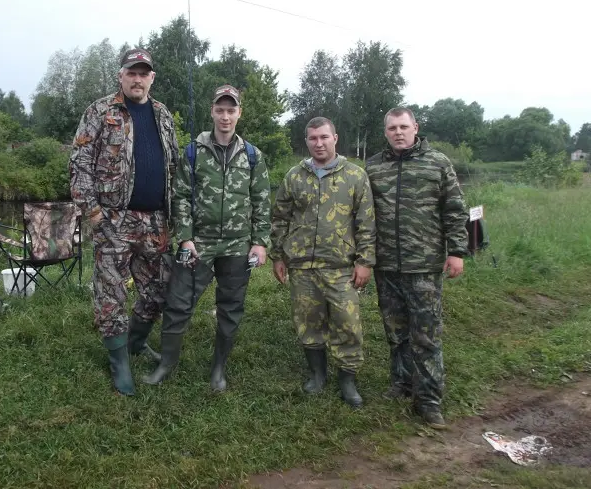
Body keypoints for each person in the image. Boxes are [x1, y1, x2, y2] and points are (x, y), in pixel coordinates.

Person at [143, 84, 271, 392]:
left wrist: (259, 241)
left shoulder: (252, 155)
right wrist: (185, 238)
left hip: (238, 245)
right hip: (198, 243)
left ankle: (218, 368)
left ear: (239, 113)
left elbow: (262, 201)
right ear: (212, 112)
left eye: (231, 110)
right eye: (220, 110)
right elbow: (180, 196)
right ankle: (166, 364)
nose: (225, 117)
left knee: (231, 307)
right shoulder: (193, 152)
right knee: (178, 303)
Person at [69, 47, 178, 397]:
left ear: (152, 78)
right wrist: (94, 214)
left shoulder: (162, 114)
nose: (137, 79)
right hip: (113, 220)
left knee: (160, 288)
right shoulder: (100, 111)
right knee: (111, 293)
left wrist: (175, 212)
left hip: (156, 220)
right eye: (132, 72)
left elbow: (173, 165)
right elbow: (79, 164)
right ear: (121, 76)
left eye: (143, 73)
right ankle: (119, 362)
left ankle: (135, 342)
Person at [365, 106, 468, 429]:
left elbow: (455, 209)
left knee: (426, 335)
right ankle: (402, 383)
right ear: (386, 132)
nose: (398, 132)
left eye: (403, 127)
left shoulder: (437, 163)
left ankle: (429, 400)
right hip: (386, 264)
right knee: (396, 332)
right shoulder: (373, 167)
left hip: (423, 264)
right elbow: (364, 214)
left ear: (415, 128)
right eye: (392, 128)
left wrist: (457, 251)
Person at [270, 117, 376, 408]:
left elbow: (366, 223)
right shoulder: (295, 176)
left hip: (341, 267)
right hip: (302, 266)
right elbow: (280, 218)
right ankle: (317, 374)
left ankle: (347, 379)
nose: (319, 143)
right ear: (306, 141)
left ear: (335, 139)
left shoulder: (355, 176)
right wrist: (278, 256)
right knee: (308, 322)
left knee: (348, 324)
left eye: (324, 137)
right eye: (313, 138)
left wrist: (365, 261)